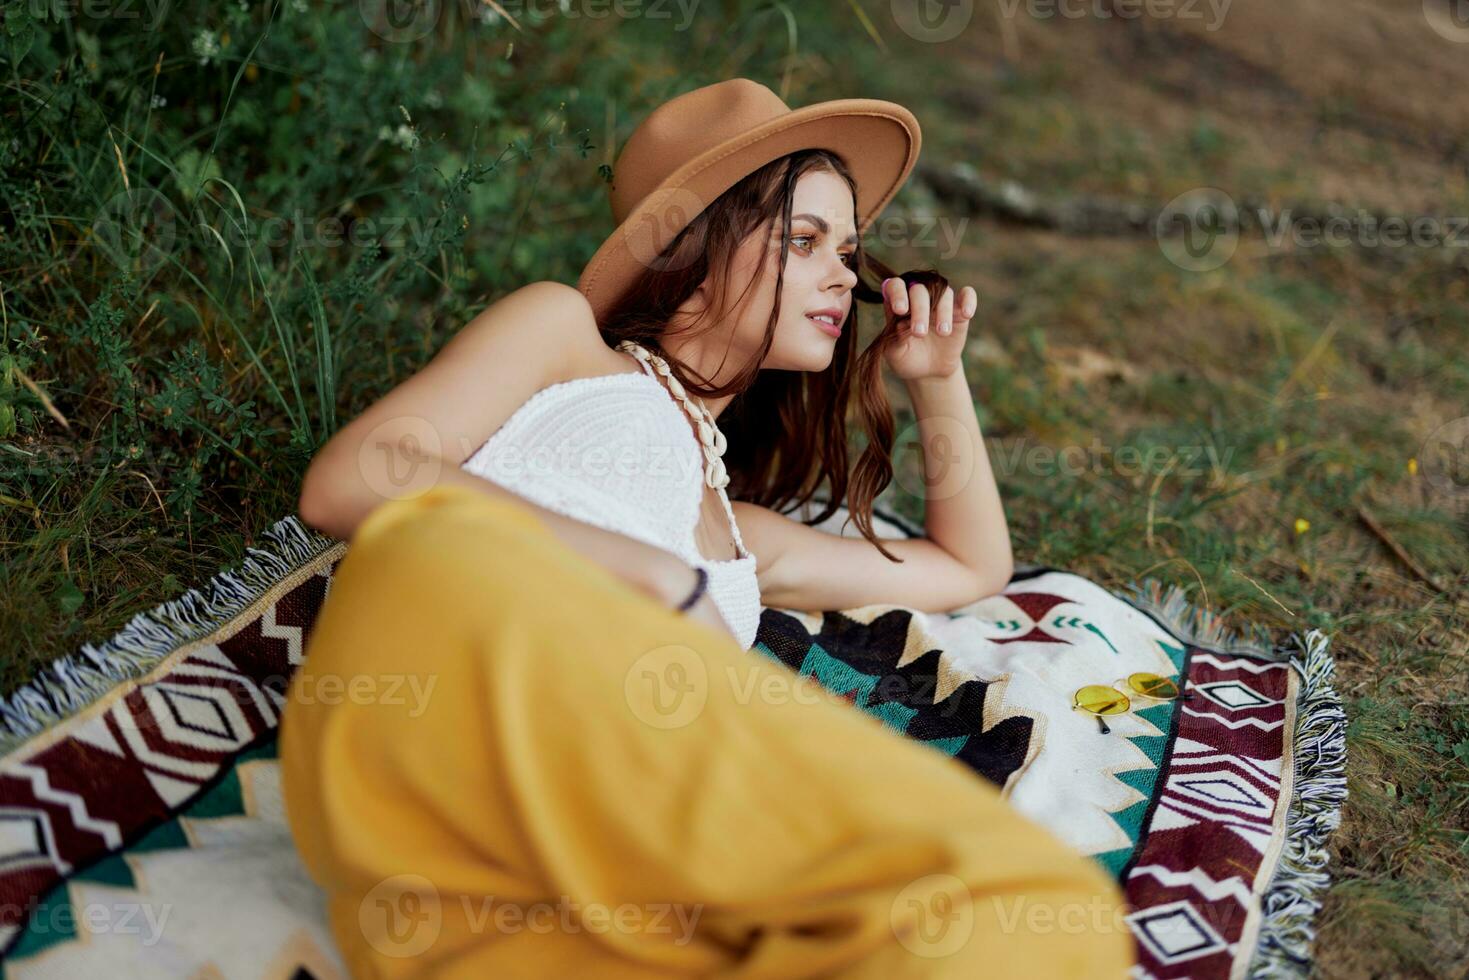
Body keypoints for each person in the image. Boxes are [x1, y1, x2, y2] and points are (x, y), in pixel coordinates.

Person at [280, 77, 1135, 978]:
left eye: (848, 249)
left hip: (579, 816)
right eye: (803, 241)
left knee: (1046, 920)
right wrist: (646, 576)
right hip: (467, 665)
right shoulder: (565, 339)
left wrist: (936, 378)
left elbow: (968, 566)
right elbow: (353, 479)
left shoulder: (742, 539)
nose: (845, 274)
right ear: (687, 248)